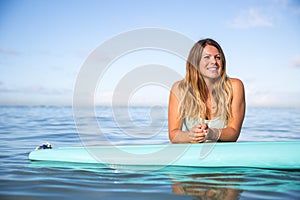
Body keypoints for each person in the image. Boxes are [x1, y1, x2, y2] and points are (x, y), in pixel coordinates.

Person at [168, 38, 245, 143]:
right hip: (190, 155)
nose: (214, 61)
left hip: (220, 157)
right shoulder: (179, 89)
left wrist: (211, 133)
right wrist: (191, 136)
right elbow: (173, 135)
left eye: (218, 57)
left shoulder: (235, 86)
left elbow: (234, 133)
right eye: (207, 57)